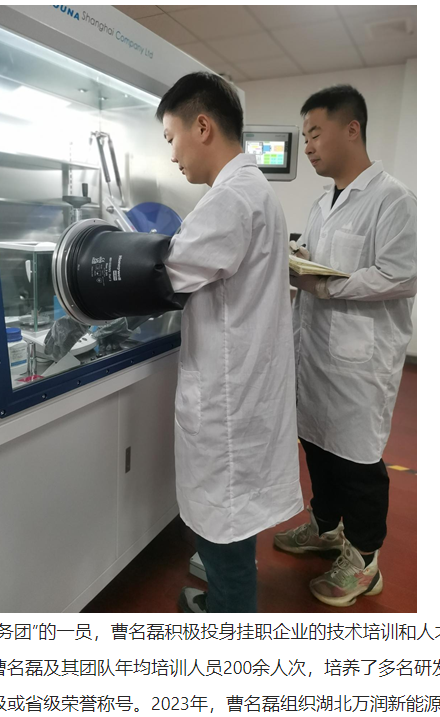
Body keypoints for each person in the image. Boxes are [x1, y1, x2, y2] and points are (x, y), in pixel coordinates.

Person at [155, 72, 303, 613]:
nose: (172, 155)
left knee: (225, 525)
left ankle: (229, 622)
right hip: (243, 388)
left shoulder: (229, 200)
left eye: (171, 138)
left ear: (202, 127)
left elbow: (167, 274)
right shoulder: (253, 190)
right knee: (232, 522)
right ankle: (223, 600)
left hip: (228, 400)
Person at [275, 84, 417, 607]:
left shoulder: (394, 200)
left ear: (351, 129)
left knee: (357, 461)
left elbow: (402, 275)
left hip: (360, 360)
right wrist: (298, 259)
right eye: (305, 135)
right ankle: (325, 527)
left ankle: (364, 559)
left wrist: (327, 286)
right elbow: (319, 263)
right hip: (314, 350)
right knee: (317, 445)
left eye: (316, 133)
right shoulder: (322, 203)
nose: (308, 145)